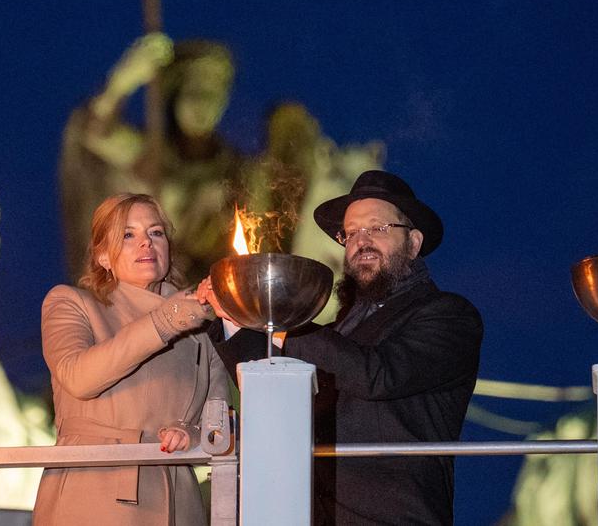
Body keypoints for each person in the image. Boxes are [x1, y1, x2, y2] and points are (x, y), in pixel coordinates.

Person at [199, 170, 483, 525]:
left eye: (377, 228)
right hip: (310, 513)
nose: (361, 241)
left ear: (413, 243)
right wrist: (233, 315)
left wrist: (283, 318)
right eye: (350, 233)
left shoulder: (448, 316)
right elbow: (266, 380)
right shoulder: (341, 329)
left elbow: (378, 374)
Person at [34, 193, 226, 526]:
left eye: (155, 233)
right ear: (103, 256)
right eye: (128, 234)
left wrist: (191, 433)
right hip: (93, 492)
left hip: (179, 501)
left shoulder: (202, 328)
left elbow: (220, 420)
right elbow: (79, 377)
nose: (145, 244)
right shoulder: (71, 303)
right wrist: (170, 318)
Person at [59, 33, 240, 284]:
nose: (203, 105)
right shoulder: (148, 155)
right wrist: (122, 81)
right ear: (175, 95)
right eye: (194, 92)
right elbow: (95, 132)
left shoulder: (236, 171)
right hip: (143, 300)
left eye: (213, 94)